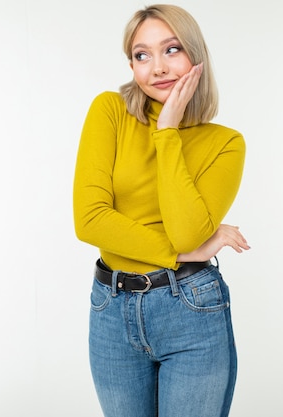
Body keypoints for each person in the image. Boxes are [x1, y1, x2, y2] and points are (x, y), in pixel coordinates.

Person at [73, 4, 249, 417]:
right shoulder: (110, 111)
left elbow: (187, 232)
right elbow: (90, 220)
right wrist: (180, 255)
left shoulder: (225, 143)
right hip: (111, 309)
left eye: (171, 50)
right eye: (141, 55)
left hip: (189, 307)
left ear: (195, 55)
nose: (157, 68)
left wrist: (167, 132)